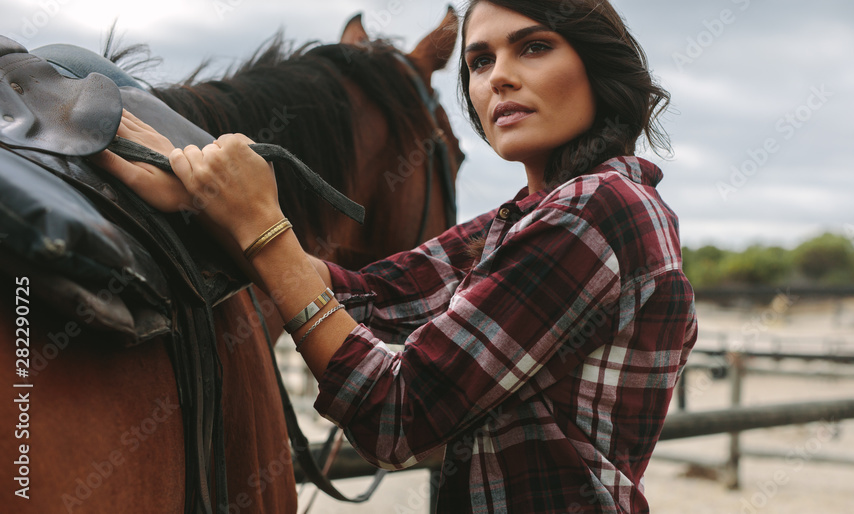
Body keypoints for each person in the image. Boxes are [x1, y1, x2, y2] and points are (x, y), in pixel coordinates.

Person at [97, 0, 698, 511]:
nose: (499, 78)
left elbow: (397, 413)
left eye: (533, 48)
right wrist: (211, 201)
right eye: (480, 61)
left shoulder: (598, 212)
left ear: (596, 63)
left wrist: (263, 224)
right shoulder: (531, 217)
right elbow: (373, 295)